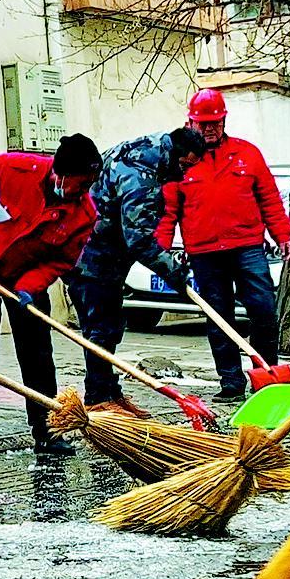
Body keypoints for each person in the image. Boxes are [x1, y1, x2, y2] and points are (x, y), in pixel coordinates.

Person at [0, 134, 103, 455]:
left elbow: (61, 260)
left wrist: (31, 285)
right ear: (60, 173)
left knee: (37, 351)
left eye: (89, 184)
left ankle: (46, 429)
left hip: (24, 279)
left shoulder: (84, 214)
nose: (83, 192)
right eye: (79, 183)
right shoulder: (10, 169)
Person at [157, 89, 290, 400]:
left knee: (263, 309)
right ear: (190, 122)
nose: (209, 128)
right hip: (205, 254)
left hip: (247, 247)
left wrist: (282, 234)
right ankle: (231, 384)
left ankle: (266, 374)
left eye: (215, 122)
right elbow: (168, 213)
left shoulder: (248, 154)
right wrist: (160, 253)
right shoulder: (180, 162)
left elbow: (269, 198)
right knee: (219, 318)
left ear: (224, 120)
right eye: (203, 123)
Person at [67, 126, 205, 404]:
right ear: (175, 153)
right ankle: (98, 402)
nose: (185, 173)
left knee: (108, 327)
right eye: (185, 165)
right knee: (100, 331)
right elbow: (139, 239)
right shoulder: (140, 174)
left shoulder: (148, 146)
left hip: (102, 254)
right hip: (91, 258)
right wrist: (174, 272)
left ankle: (109, 392)